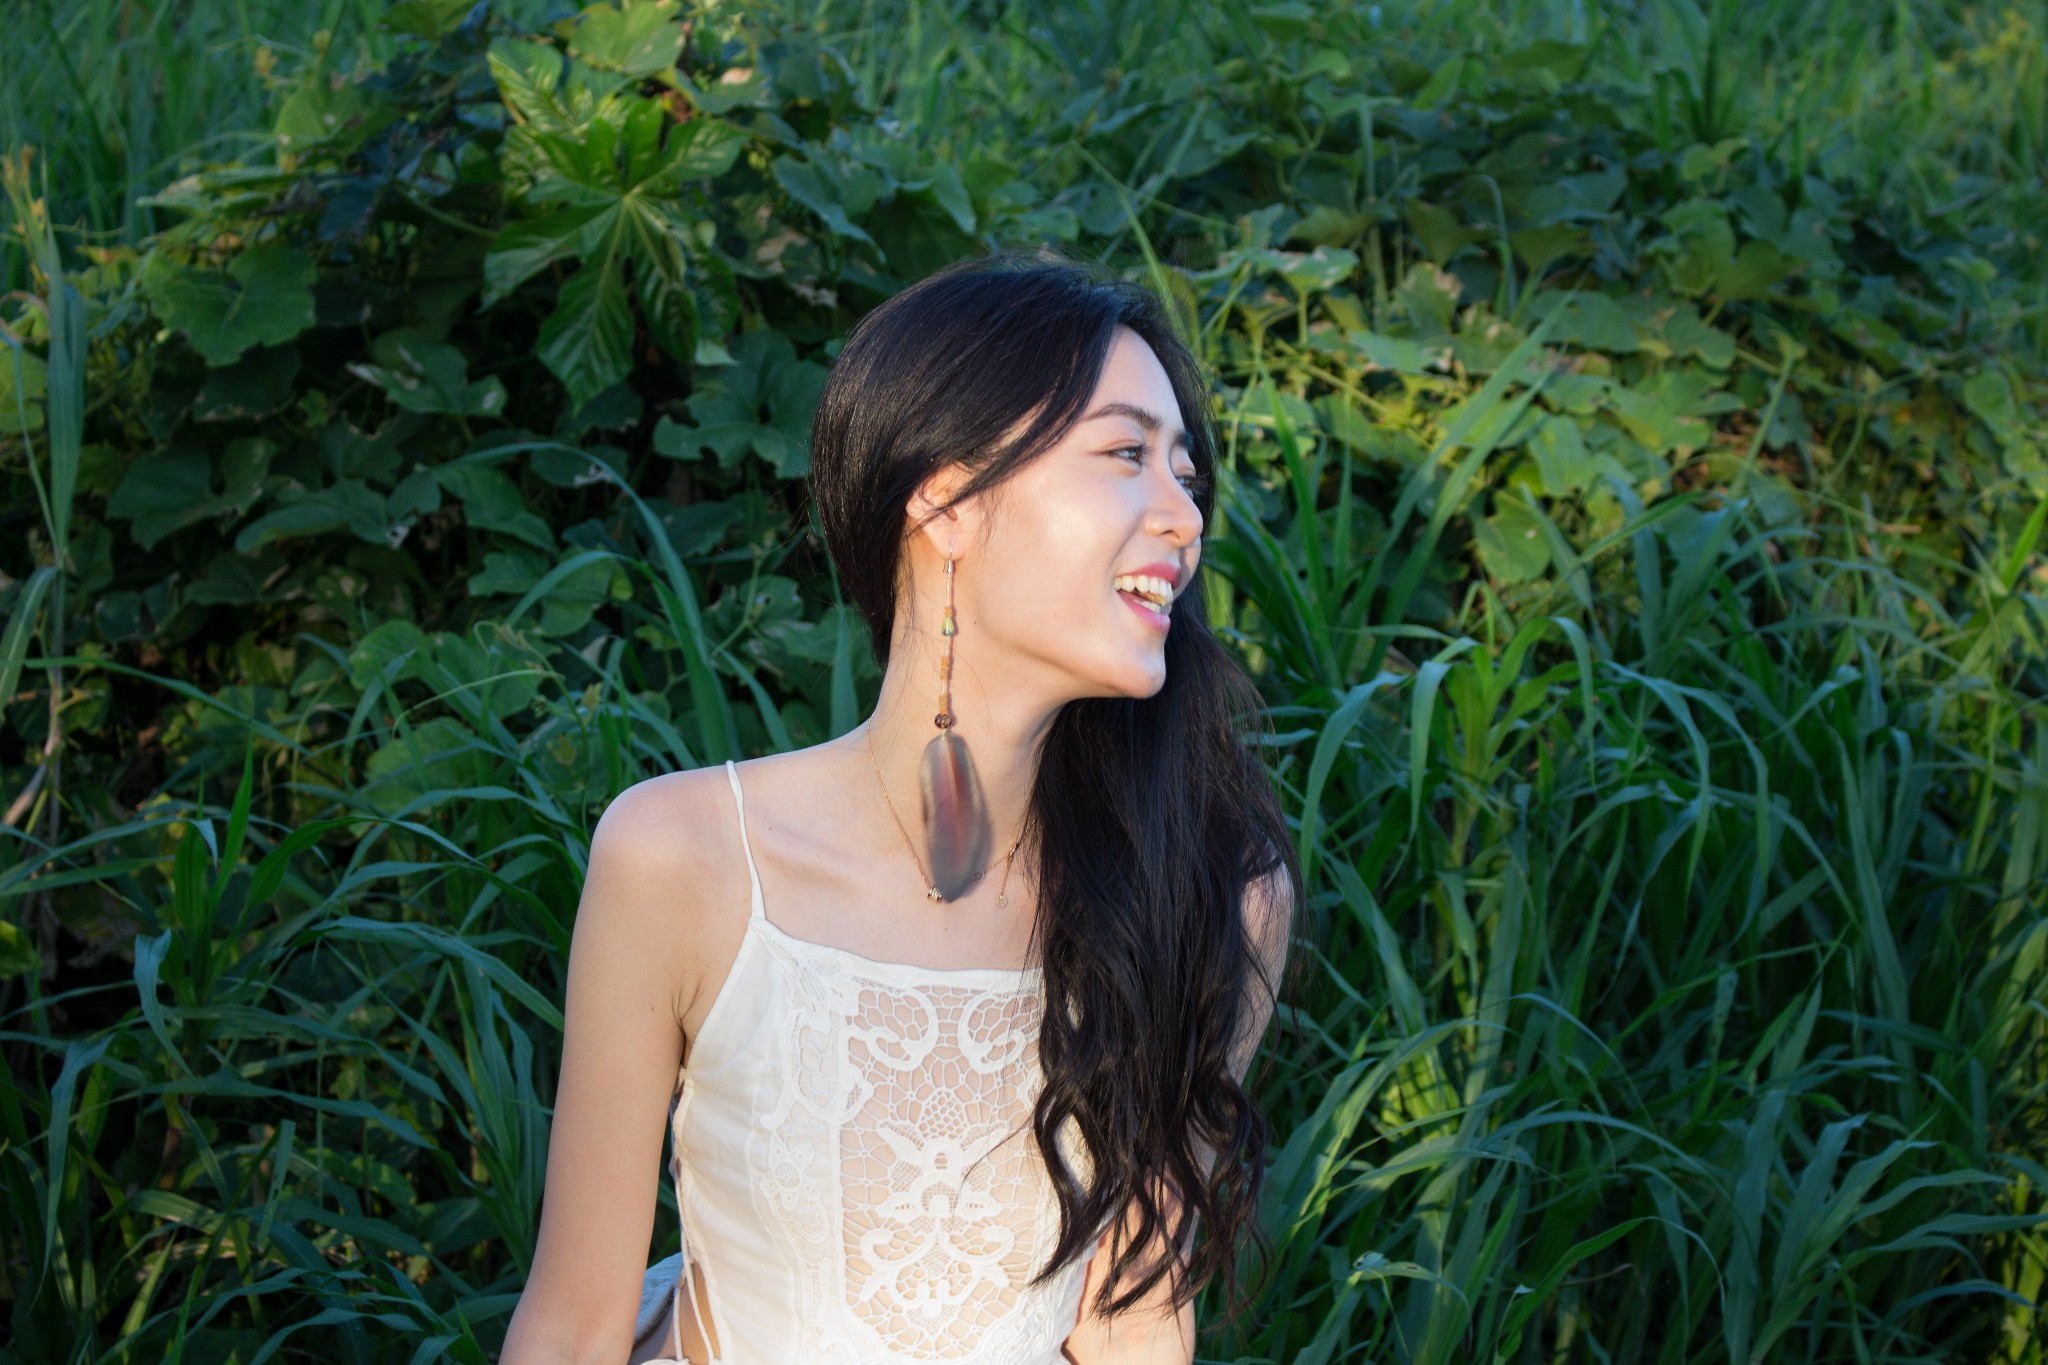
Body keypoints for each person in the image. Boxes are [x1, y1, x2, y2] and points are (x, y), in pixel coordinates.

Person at [500, 249, 1298, 1365]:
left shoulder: (1210, 888)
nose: (1185, 516)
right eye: (1127, 454)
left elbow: (1130, 1326)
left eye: (1186, 472)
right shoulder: (684, 858)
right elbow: (574, 1325)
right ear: (948, 501)